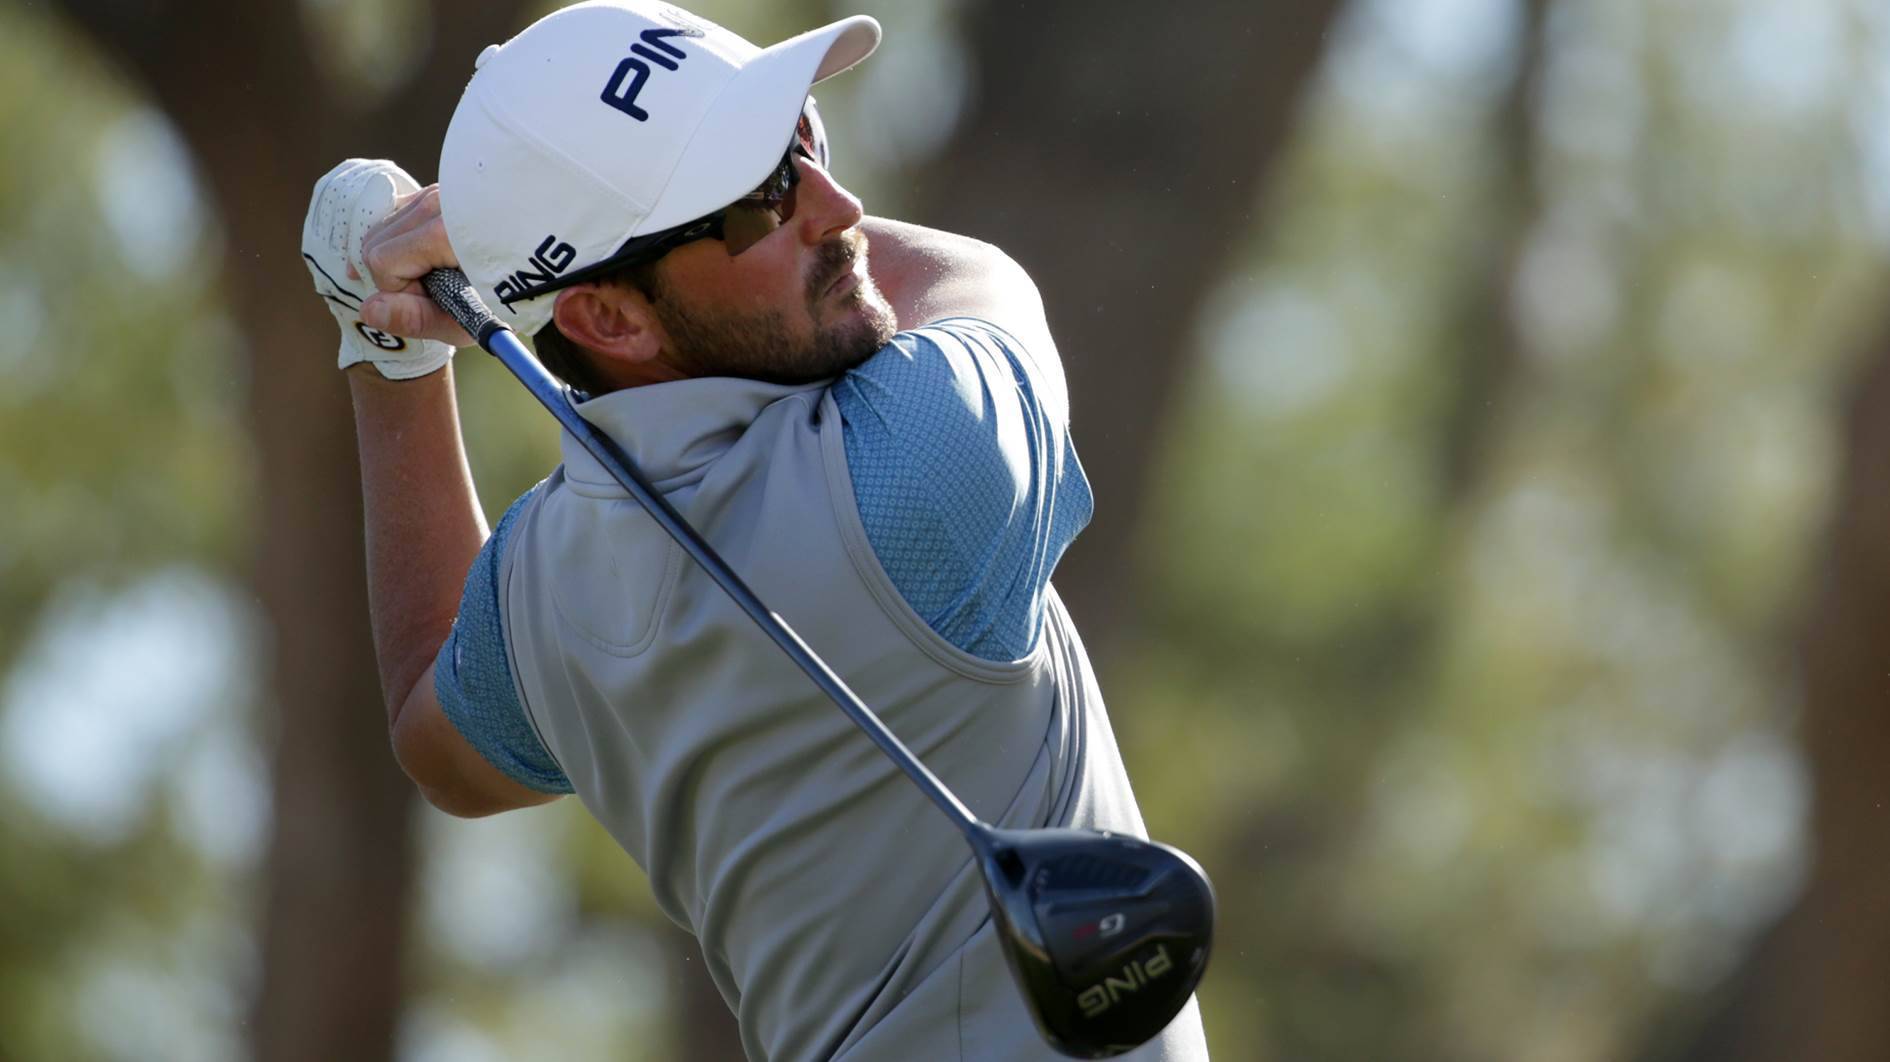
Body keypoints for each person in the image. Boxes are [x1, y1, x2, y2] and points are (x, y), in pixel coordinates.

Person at [300, 1, 1210, 1058]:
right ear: (610, 319)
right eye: (762, 196)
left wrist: (387, 351)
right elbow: (981, 278)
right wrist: (496, 243)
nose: (838, 203)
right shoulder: (927, 464)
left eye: (806, 141)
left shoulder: (544, 596)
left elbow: (436, 741)